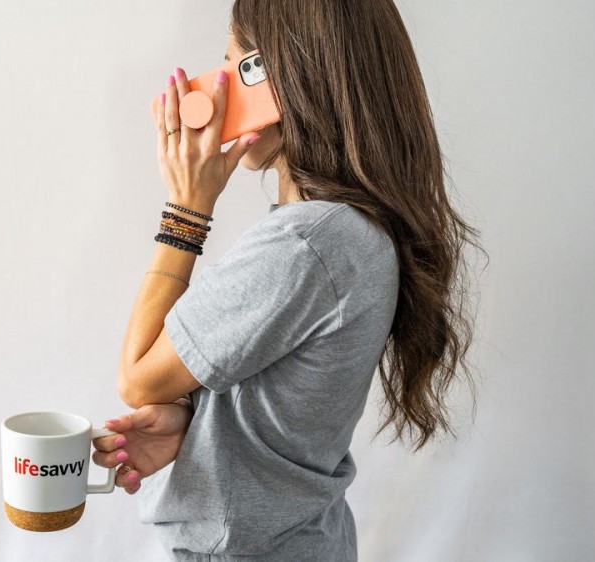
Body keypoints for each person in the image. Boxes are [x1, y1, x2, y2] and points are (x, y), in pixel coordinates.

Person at [92, 0, 484, 559]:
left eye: (233, 64)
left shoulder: (307, 244)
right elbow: (289, 414)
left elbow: (136, 378)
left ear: (277, 77)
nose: (217, 87)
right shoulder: (351, 233)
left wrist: (186, 209)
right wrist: (197, 426)